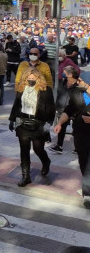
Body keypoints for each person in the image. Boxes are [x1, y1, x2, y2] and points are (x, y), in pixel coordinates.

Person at [9, 70, 55, 187]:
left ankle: (46, 161)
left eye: (33, 78)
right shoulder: (22, 88)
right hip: (23, 122)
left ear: (39, 78)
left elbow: (51, 108)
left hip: (38, 123)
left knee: (38, 148)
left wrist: (48, 124)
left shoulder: (45, 90)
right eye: (29, 77)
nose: (31, 79)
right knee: (24, 150)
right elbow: (16, 104)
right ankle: (26, 176)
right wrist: (12, 120)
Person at [53, 70, 90, 208]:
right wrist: (60, 123)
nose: (79, 83)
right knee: (83, 162)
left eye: (82, 81)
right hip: (80, 133)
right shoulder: (76, 94)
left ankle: (87, 195)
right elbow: (68, 110)